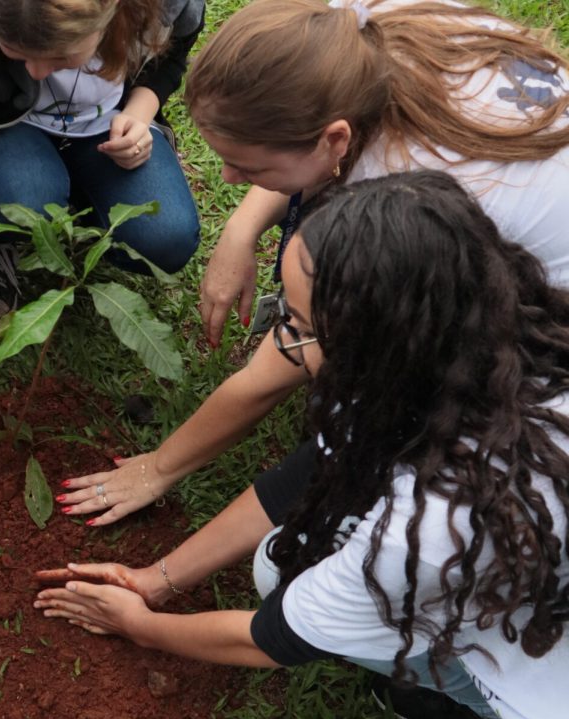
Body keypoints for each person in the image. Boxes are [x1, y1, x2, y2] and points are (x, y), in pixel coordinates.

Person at [37, 171, 569, 719]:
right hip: (536, 607)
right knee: (277, 564)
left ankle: (469, 704)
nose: (283, 339)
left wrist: (138, 624)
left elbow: (271, 639)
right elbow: (312, 475)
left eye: (296, 322)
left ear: (371, 342)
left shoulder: (424, 533)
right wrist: (157, 579)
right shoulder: (482, 349)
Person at [59, 0, 569, 523]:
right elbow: (311, 154)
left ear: (336, 139)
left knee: (376, 413)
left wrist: (161, 467)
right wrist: (241, 228)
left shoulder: (409, 200)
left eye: (249, 165)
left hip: (548, 330)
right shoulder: (351, 27)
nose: (230, 179)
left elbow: (281, 367)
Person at [0, 0, 204, 470]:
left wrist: (141, 108)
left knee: (167, 236)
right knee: (28, 195)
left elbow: (176, 47)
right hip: (8, 134)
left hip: (107, 133)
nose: (37, 72)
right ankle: (10, 226)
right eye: (16, 54)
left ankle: (67, 200)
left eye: (59, 58)